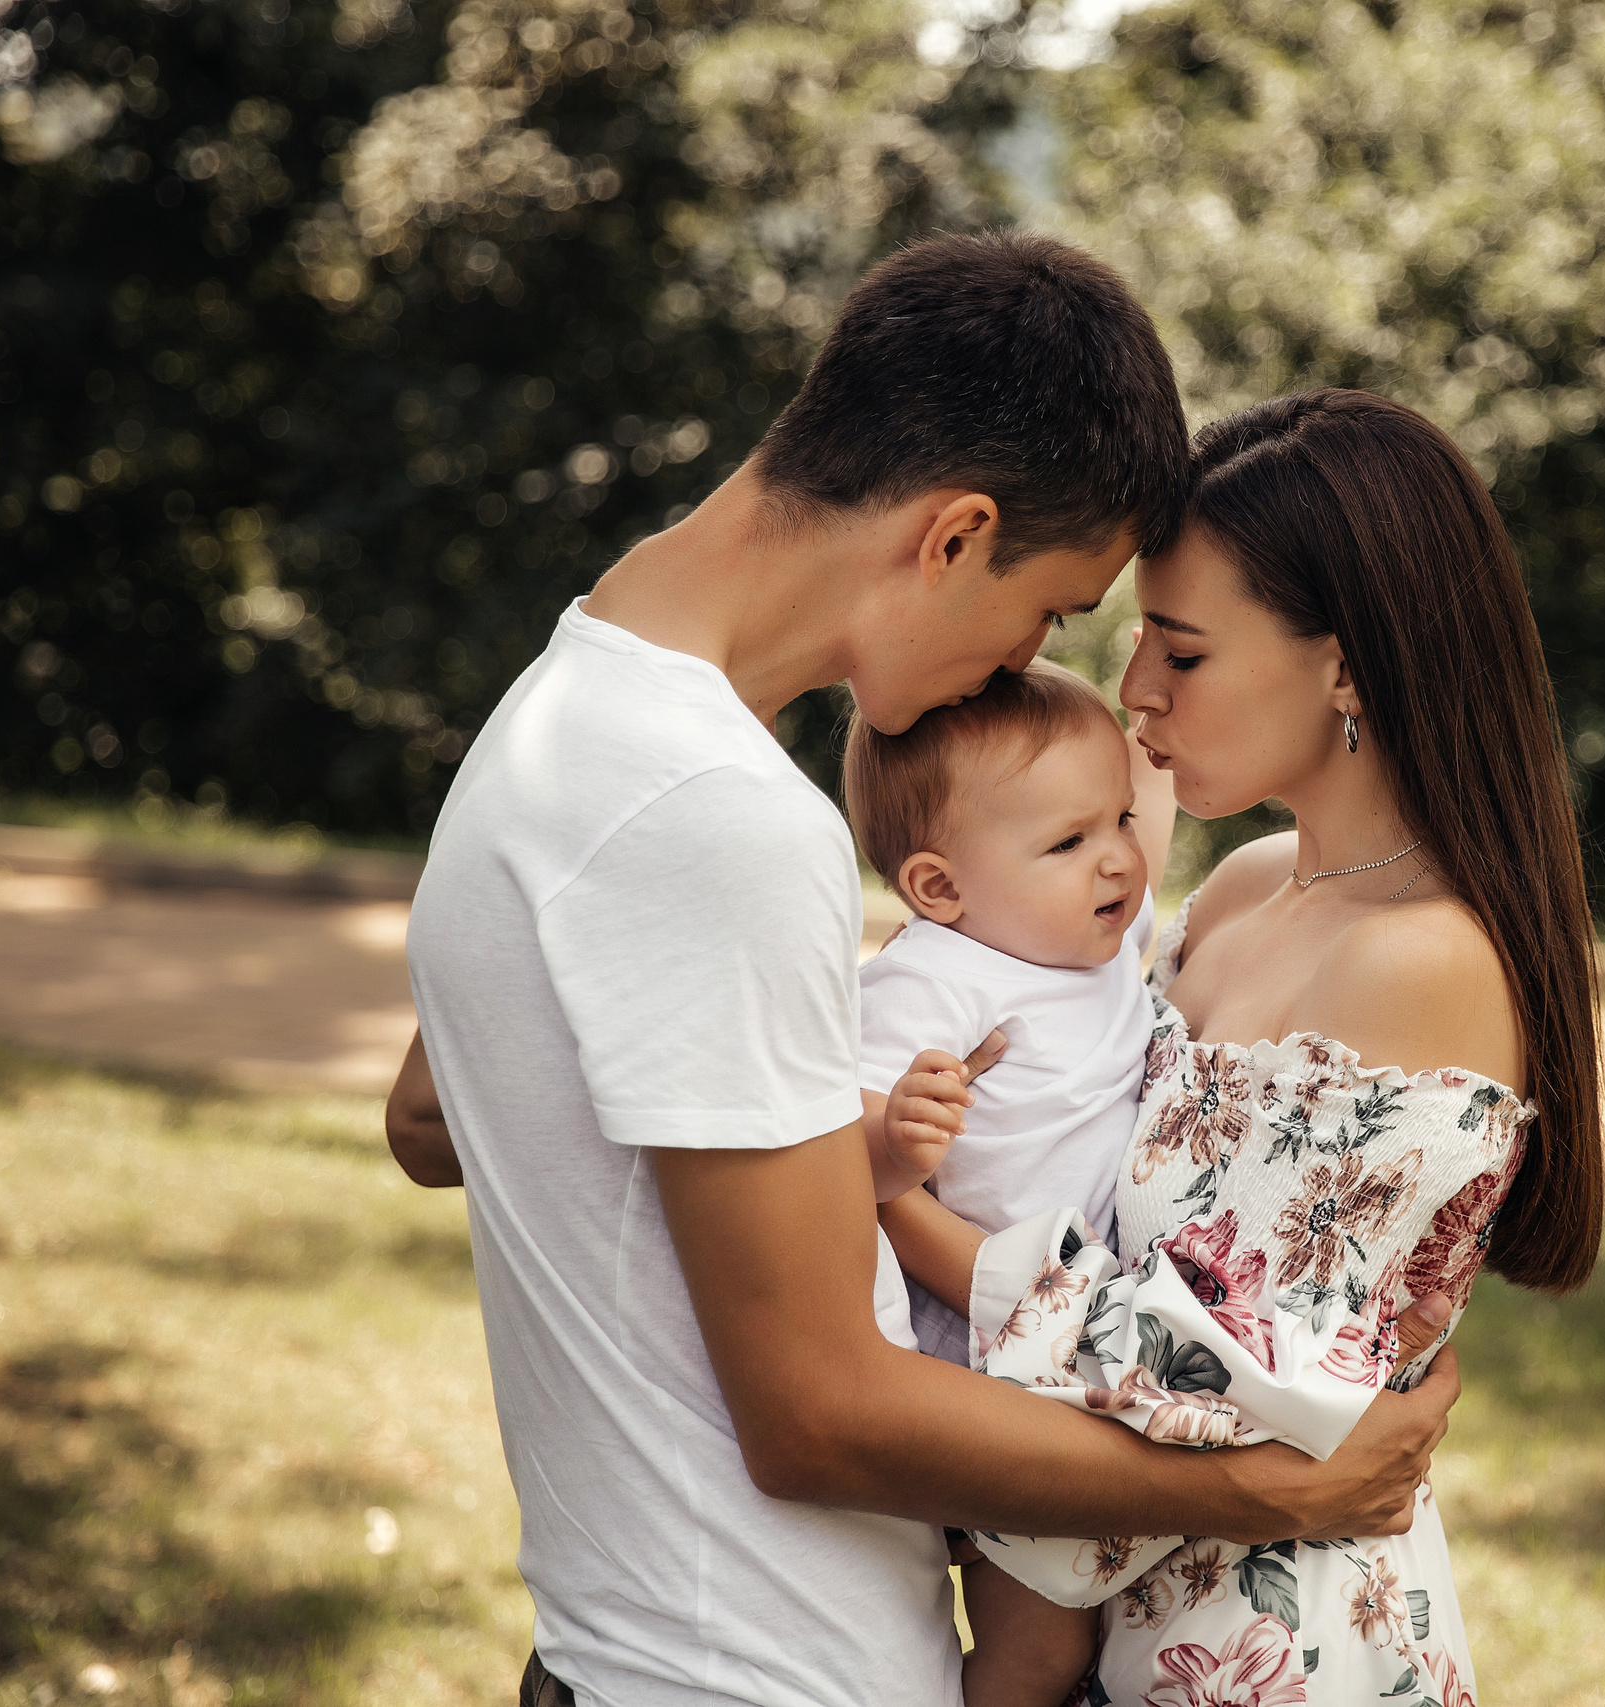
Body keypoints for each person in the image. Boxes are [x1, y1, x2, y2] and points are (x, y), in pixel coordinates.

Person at [379, 239, 1464, 1707]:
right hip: (752, 1672)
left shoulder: (561, 714)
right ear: (955, 533)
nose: (1034, 662)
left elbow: (434, 1118)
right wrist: (1281, 1489)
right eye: (1052, 608)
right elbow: (817, 1416)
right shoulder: (719, 818)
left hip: (618, 1647)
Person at [880, 388, 1605, 1704]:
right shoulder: (1237, 888)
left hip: (1261, 1658)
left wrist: (915, 1230)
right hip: (1081, 1620)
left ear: (1348, 664)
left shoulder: (1422, 960)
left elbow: (1217, 1381)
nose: (1134, 685)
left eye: (1185, 649)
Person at [842, 657, 1181, 1706]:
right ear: (941, 889)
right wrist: (899, 1138)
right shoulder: (937, 976)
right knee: (1032, 1648)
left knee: (1065, 1644)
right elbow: (835, 1155)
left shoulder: (1103, 943)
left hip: (1090, 1342)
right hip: (991, 1370)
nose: (1119, 860)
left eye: (1119, 820)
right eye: (1070, 842)